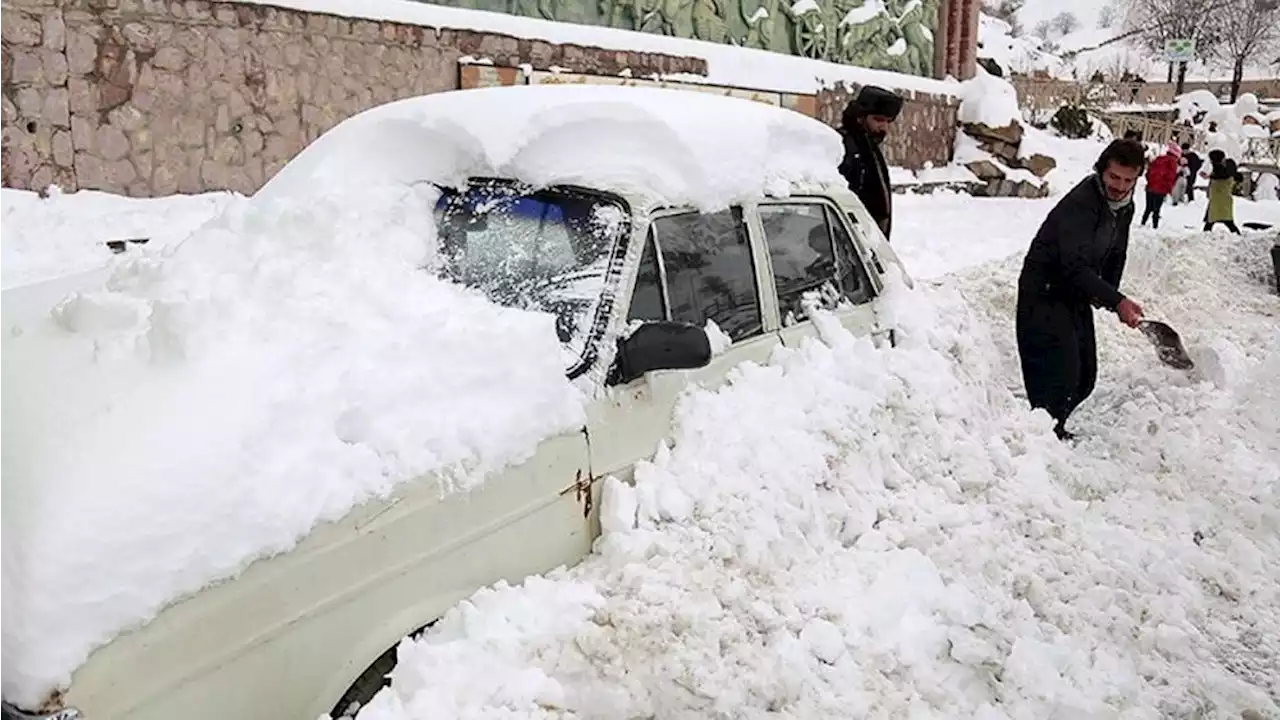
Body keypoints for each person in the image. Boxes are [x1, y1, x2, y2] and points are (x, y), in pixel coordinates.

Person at [1016, 139, 1147, 442]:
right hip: (1046, 288)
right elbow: (1071, 265)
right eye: (1114, 177)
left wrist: (1110, 294)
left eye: (1129, 180)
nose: (1120, 186)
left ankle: (1052, 427)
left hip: (1075, 289)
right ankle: (1043, 435)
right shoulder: (1081, 204)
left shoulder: (1125, 205)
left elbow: (1117, 252)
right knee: (1061, 372)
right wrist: (1117, 302)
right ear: (1102, 170)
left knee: (1086, 376)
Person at [838, 85, 903, 241]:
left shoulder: (869, 147)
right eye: (878, 120)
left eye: (888, 121)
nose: (884, 127)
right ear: (860, 117)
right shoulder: (845, 146)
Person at [1141, 142, 1180, 228]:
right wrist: (1169, 189)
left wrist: (1150, 182)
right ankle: (1155, 226)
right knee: (1157, 209)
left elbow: (1148, 172)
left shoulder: (1159, 158)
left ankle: (1143, 223)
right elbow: (1171, 177)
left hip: (1150, 187)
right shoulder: (1172, 162)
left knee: (1148, 208)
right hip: (1161, 189)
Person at [1204, 151, 1243, 234]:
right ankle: (1236, 234)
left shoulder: (1220, 170)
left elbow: (1219, 174)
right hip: (1226, 199)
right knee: (1227, 220)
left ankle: (1206, 234)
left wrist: (1209, 176)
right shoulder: (1230, 164)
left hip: (1218, 198)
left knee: (1212, 220)